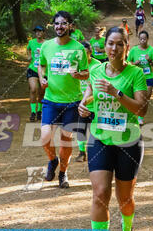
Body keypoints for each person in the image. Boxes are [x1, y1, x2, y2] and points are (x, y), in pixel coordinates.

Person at [78, 26, 148, 231]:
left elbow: (142, 110)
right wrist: (83, 106)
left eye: (120, 44)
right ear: (105, 45)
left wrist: (115, 92)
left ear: (127, 48)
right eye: (110, 43)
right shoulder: (96, 70)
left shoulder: (136, 74)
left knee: (125, 198)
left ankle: (127, 229)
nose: (114, 48)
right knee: (99, 195)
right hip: (100, 139)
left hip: (128, 143)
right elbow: (88, 96)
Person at [38, 10, 89, 189]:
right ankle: (53, 161)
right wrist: (41, 78)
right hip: (51, 99)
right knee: (45, 137)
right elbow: (41, 65)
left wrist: (79, 75)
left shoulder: (78, 48)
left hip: (71, 102)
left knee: (66, 138)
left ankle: (63, 173)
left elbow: (86, 73)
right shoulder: (46, 46)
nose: (60, 26)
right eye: (57, 23)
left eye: (63, 23)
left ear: (71, 26)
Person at [75, 41, 101, 162]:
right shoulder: (75, 65)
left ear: (90, 52)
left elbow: (98, 88)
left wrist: (88, 100)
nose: (83, 56)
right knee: (80, 129)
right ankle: (82, 152)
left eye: (86, 53)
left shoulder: (97, 66)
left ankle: (97, 152)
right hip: (80, 102)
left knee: (96, 129)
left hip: (94, 103)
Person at [127, 30, 153, 124]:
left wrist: (150, 61)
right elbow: (127, 64)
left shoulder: (151, 50)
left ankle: (140, 117)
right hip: (136, 77)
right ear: (139, 39)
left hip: (148, 77)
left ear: (147, 39)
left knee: (146, 98)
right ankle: (133, 115)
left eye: (144, 39)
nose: (142, 41)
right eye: (141, 39)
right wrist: (134, 63)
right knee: (134, 98)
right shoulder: (134, 50)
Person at [26, 25, 46, 121]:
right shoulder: (31, 42)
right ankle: (33, 112)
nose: (38, 33)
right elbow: (28, 49)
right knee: (33, 89)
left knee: (42, 93)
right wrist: (29, 56)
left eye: (40, 31)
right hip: (33, 69)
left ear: (43, 33)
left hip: (44, 71)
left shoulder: (47, 44)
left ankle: (40, 111)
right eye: (36, 31)